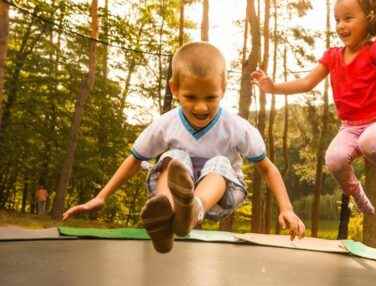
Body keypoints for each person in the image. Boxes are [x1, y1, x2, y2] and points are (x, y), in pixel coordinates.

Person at [63, 42, 306, 253]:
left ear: (223, 88)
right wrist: (101, 197)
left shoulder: (236, 127)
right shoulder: (165, 124)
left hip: (222, 194)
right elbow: (134, 160)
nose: (201, 108)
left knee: (218, 162)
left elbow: (267, 169)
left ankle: (192, 210)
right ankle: (168, 215)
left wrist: (287, 208)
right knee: (174, 158)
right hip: (176, 186)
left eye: (210, 98)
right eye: (191, 97)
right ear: (175, 89)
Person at [252, 0, 376, 215]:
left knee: (371, 142)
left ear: (369, 19)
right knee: (334, 160)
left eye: (348, 18)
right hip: (349, 128)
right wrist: (273, 87)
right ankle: (358, 195)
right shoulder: (333, 56)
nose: (340, 25)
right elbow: (306, 83)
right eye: (337, 20)